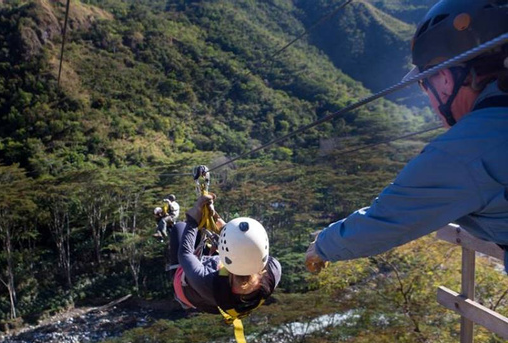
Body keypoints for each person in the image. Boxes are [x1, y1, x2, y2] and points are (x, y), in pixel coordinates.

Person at [305, 0, 508, 273]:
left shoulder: (468, 149)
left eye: (426, 84)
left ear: (446, 79)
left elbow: (388, 218)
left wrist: (322, 245)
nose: (430, 102)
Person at [169, 194, 282, 317]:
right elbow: (247, 248)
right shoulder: (273, 271)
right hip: (223, 300)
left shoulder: (206, 281)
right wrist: (216, 220)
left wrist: (192, 220)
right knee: (197, 232)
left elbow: (185, 254)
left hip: (190, 289)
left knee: (180, 228)